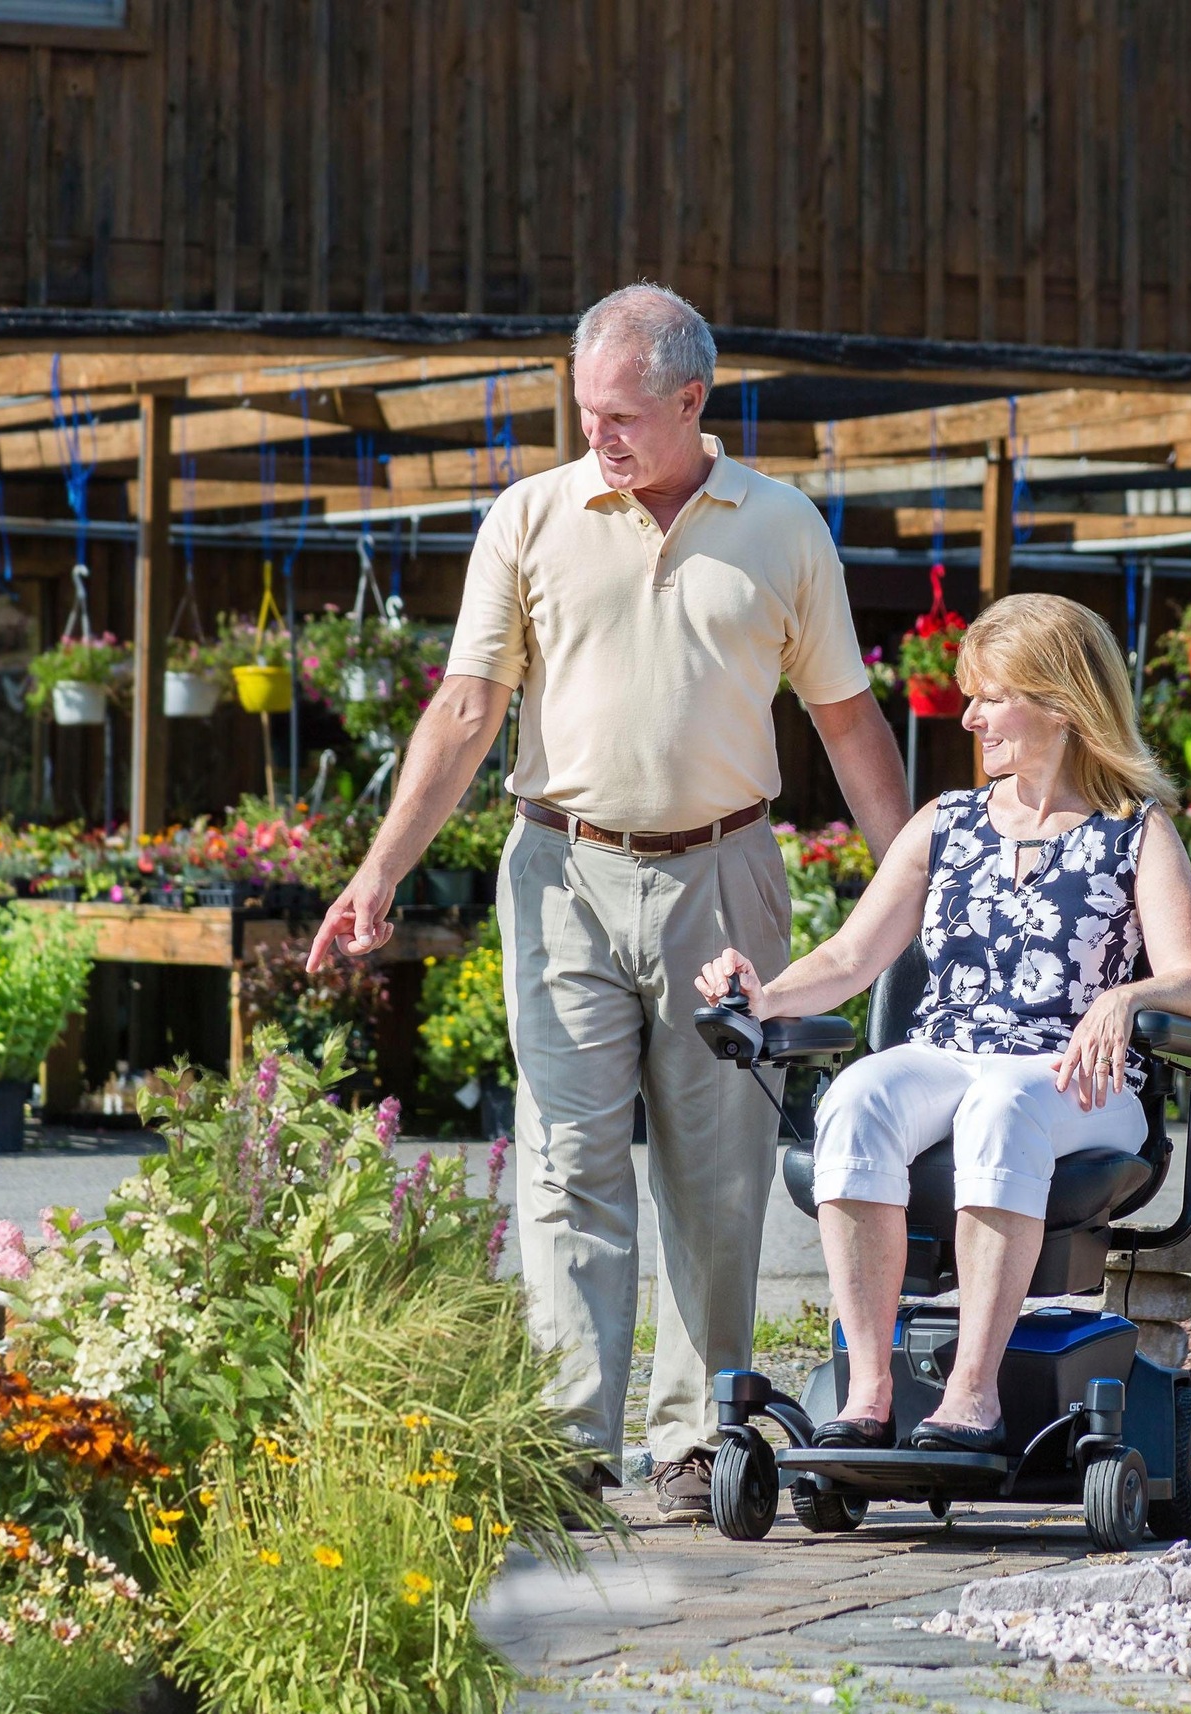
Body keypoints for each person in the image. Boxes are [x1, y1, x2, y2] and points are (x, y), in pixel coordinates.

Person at [309, 283, 909, 1520]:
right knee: (569, 1157)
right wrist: (378, 869)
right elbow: (467, 708)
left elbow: (847, 723)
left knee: (718, 1168)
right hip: (563, 873)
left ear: (695, 401)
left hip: (726, 875)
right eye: (586, 412)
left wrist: (915, 892)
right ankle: (574, 1444)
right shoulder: (530, 517)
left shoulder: (784, 527)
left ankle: (697, 1441)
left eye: (626, 415)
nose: (602, 437)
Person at [696, 592, 1191, 1453]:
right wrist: (762, 992)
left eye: (990, 696)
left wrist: (1124, 999)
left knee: (1001, 1106)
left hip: (1075, 1082)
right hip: (953, 1055)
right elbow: (849, 958)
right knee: (859, 1094)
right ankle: (867, 1395)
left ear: (1060, 700)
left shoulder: (1134, 831)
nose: (969, 716)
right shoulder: (948, 825)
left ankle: (973, 1393)